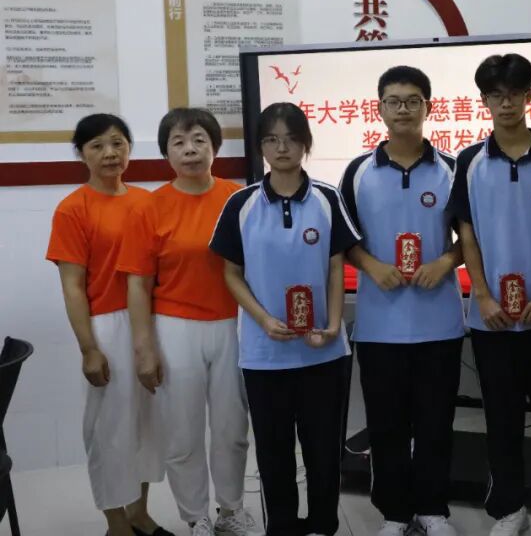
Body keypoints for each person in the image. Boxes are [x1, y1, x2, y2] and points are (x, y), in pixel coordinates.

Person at [447, 54, 531, 536]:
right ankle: (509, 509)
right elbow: (465, 233)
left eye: (514, 94)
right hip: (492, 318)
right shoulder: (469, 161)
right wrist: (483, 297)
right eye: (495, 95)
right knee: (501, 418)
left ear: (529, 97)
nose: (505, 104)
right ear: (484, 101)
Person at [209, 103, 359, 536]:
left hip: (323, 352)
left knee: (322, 449)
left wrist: (334, 324)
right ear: (261, 147)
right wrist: (262, 320)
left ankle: (323, 525)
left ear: (305, 143)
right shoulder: (241, 203)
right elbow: (231, 274)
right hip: (264, 354)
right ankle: (283, 526)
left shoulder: (327, 198)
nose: (282, 147)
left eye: (291, 138)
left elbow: (335, 266)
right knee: (274, 452)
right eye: (272, 139)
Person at [116, 108, 257, 536]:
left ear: (215, 147)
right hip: (175, 327)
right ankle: (196, 517)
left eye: (199, 140)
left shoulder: (240, 198)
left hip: (234, 325)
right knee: (183, 431)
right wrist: (144, 348)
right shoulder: (149, 207)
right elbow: (138, 284)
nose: (190, 150)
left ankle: (231, 511)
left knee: (232, 429)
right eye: (178, 143)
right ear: (166, 154)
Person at [338, 67, 465, 536]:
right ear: (380, 109)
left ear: (428, 107)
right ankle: (394, 513)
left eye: (413, 100)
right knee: (386, 425)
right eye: (394, 101)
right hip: (378, 325)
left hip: (439, 323)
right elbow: (343, 238)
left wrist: (447, 261)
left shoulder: (454, 168)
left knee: (436, 423)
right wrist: (371, 266)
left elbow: (472, 237)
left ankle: (433, 511)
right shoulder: (358, 172)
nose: (404, 109)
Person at [45, 114, 171, 536]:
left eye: (118, 143)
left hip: (151, 322)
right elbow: (72, 287)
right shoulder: (73, 209)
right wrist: (89, 348)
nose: (110, 153)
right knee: (109, 430)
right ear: (81, 154)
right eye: (97, 146)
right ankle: (116, 522)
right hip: (107, 326)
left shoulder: (147, 201)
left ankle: (139, 514)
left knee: (147, 426)